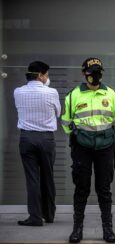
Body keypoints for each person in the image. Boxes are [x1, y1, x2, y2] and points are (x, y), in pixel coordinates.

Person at [61, 58, 115, 243]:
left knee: (104, 189)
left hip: (105, 147)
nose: (95, 75)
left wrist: (102, 136)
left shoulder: (111, 94)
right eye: (91, 72)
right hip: (81, 148)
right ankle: (77, 229)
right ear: (83, 73)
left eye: (98, 71)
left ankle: (108, 230)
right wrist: (80, 136)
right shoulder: (73, 95)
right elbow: (66, 122)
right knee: (81, 188)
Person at [14, 61, 61, 226]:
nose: (48, 77)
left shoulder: (18, 92)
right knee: (48, 176)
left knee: (32, 179)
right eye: (46, 74)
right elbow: (58, 112)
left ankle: (35, 216)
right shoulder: (52, 92)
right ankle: (49, 215)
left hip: (26, 138)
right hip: (46, 139)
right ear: (40, 75)